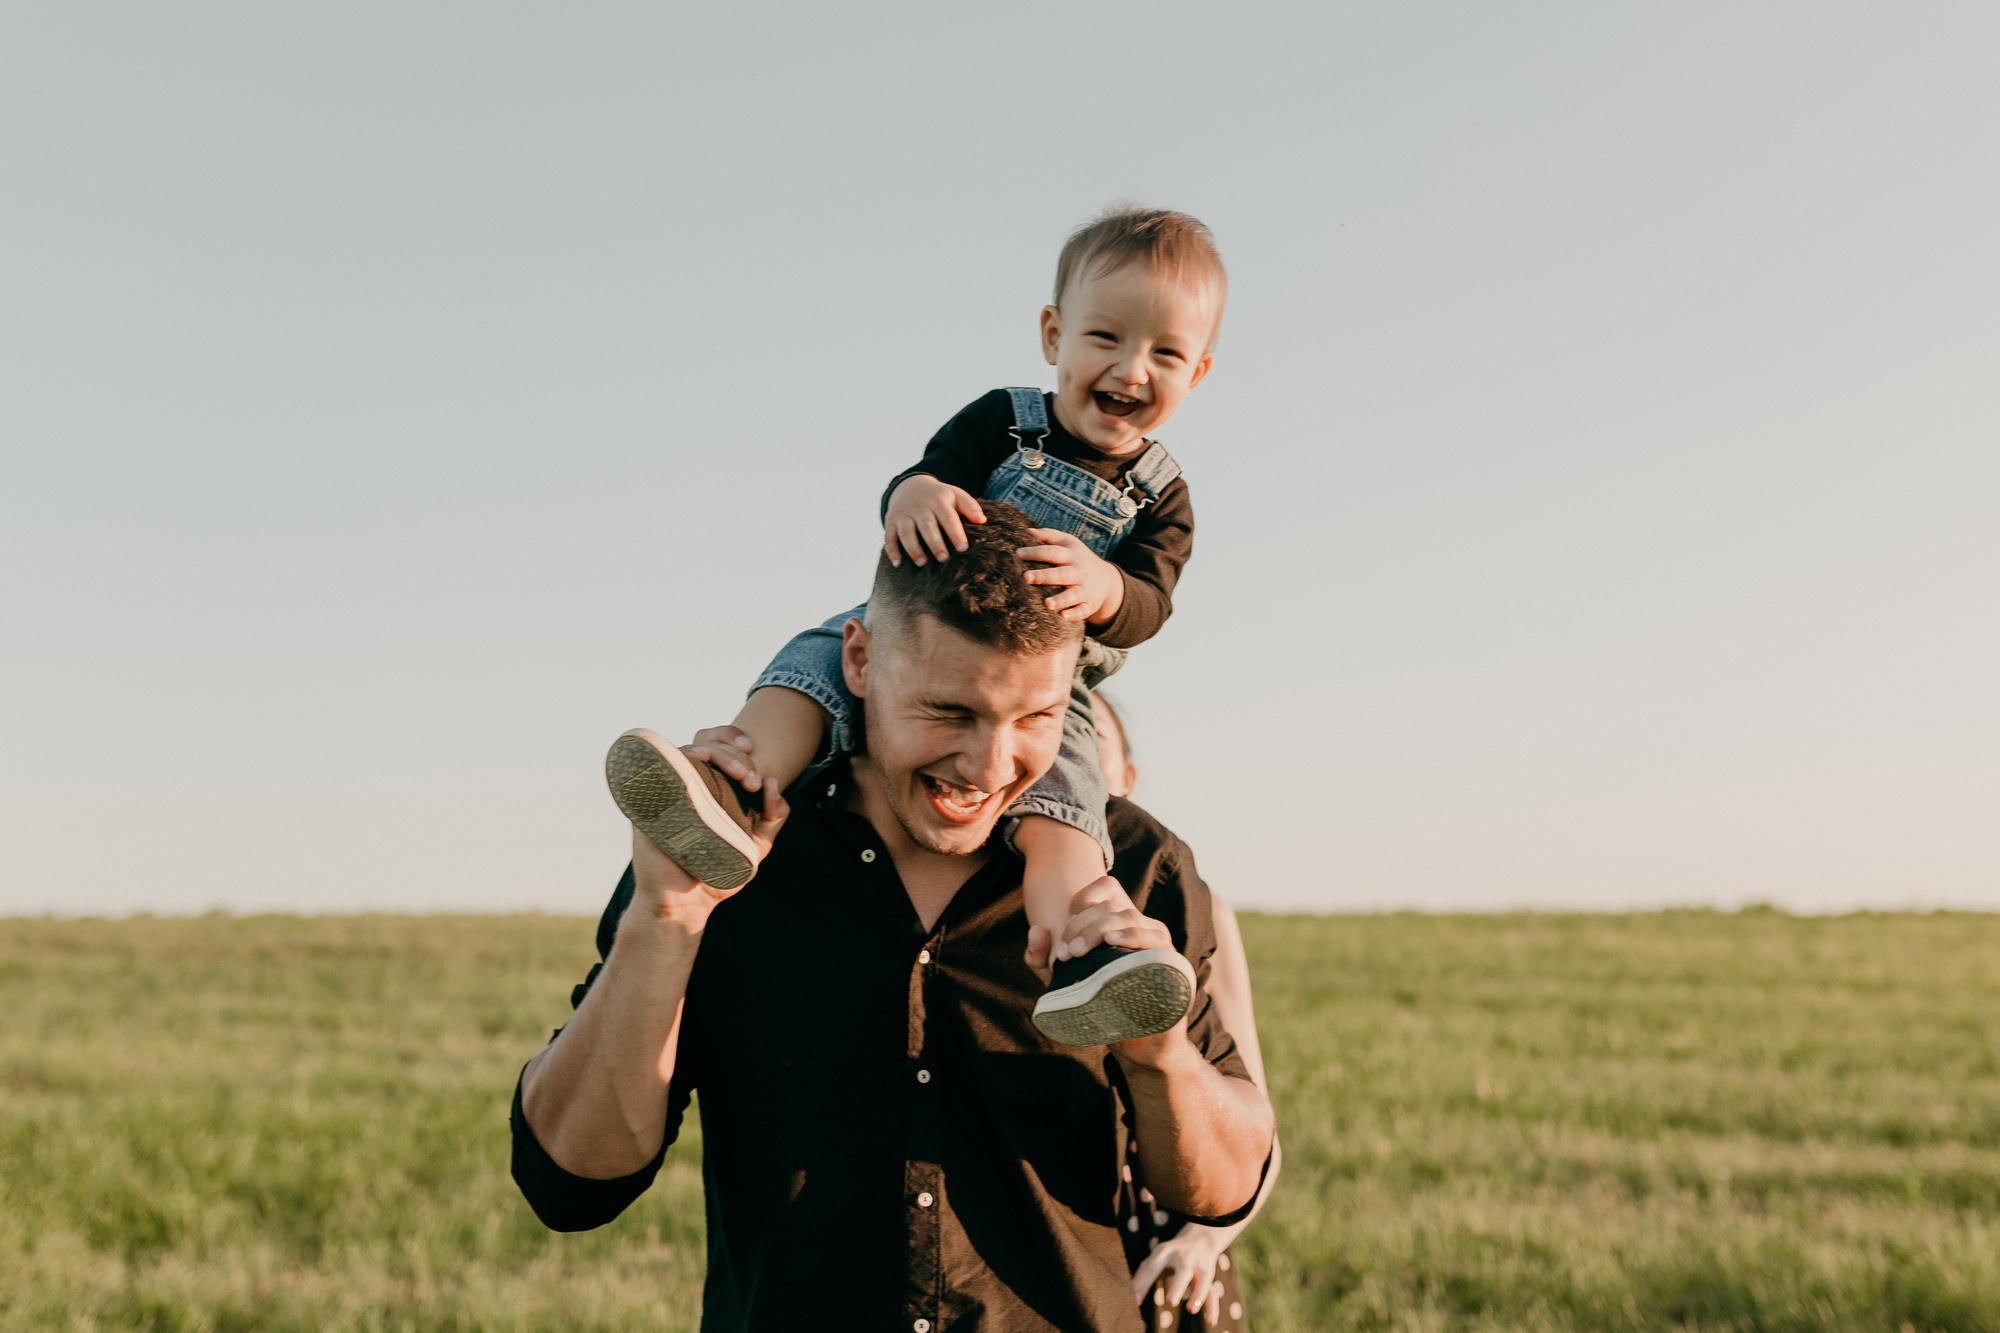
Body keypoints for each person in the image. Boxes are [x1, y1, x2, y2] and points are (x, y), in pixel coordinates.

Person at [513, 505, 1275, 1331]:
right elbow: (571, 1180)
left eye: (1035, 720)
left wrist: (1160, 1055)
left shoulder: (1131, 863)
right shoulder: (716, 839)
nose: (990, 765)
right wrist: (667, 913)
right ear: (861, 659)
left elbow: (1226, 1184)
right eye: (950, 712)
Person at [602, 204, 1224, 1047]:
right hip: (918, 632)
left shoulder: (1164, 497)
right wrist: (916, 494)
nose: (1131, 368)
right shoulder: (1004, 420)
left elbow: (1150, 604)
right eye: (1106, 338)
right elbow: (926, 473)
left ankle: (1087, 953)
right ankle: (730, 790)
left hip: (1055, 682)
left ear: (1201, 372)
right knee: (811, 669)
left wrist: (1108, 584)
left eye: (1165, 353)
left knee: (1063, 811)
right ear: (1053, 335)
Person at [1092, 694, 1281, 1330]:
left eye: (1087, 753)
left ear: (1127, 779)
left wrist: (1204, 1240)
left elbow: (1256, 1115)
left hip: (1166, 1221)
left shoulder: (1196, 907)